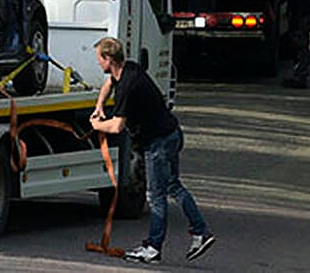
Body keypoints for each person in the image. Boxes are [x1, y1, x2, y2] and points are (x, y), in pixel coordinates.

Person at [89, 37, 215, 264]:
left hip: (158, 143)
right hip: (172, 133)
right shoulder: (129, 69)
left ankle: (154, 248)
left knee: (156, 197)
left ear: (108, 59)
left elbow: (117, 126)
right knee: (173, 186)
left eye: (99, 58)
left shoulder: (128, 86)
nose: (98, 63)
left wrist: (96, 125)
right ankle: (200, 231)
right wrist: (99, 106)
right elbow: (109, 84)